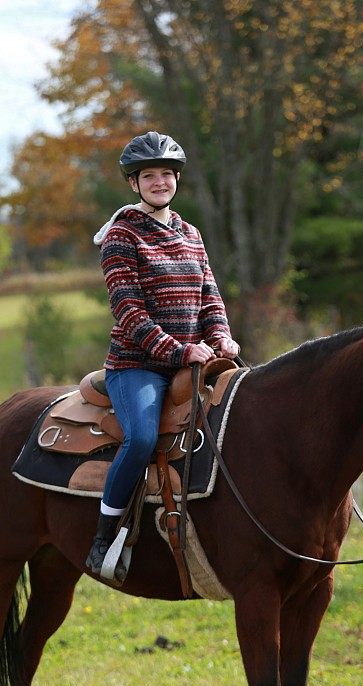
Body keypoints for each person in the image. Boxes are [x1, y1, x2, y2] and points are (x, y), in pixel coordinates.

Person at [86, 131, 239, 580]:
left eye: (166, 175)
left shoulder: (190, 233)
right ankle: (104, 534)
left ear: (176, 180)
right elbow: (128, 311)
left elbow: (210, 297)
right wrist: (178, 349)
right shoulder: (121, 235)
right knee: (140, 437)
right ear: (134, 184)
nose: (159, 182)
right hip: (139, 366)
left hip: (197, 360)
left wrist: (222, 336)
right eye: (148, 176)